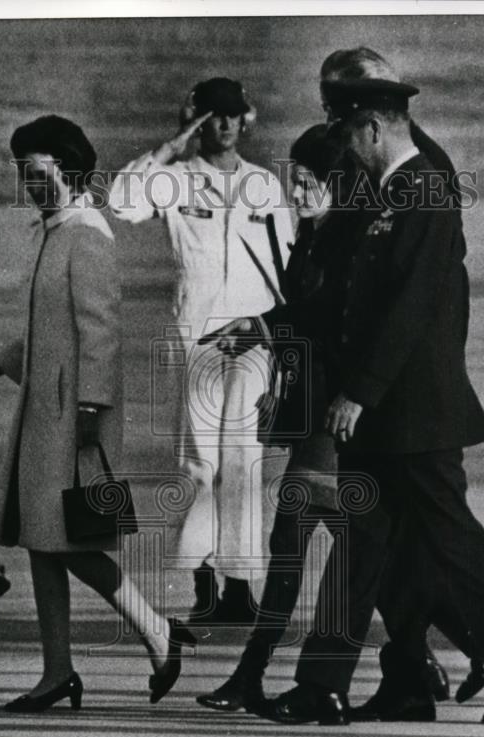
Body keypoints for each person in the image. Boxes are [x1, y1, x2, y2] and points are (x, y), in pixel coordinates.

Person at [240, 56, 484, 726]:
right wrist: (271, 327)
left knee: (454, 542)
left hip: (416, 410)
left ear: (369, 127)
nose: (344, 151)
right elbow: (344, 297)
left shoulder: (423, 189)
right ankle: (328, 684)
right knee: (363, 545)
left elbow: (411, 307)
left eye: (346, 132)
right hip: (382, 411)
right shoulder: (386, 192)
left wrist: (357, 391)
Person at [0, 115, 193, 712]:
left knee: (68, 540)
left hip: (75, 418)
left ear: (70, 170)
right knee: (43, 541)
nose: (29, 186)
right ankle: (58, 670)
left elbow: (101, 332)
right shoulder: (53, 230)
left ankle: (155, 630)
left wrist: (91, 411)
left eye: (37, 174)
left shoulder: (87, 233)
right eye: (22, 175)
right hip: (47, 413)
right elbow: (44, 334)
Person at [108, 78, 293, 625]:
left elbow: (290, 261)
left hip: (256, 339)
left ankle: (239, 590)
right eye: (215, 115)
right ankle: (204, 588)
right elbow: (122, 203)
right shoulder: (178, 180)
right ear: (198, 120)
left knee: (244, 460)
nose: (227, 124)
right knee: (199, 465)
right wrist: (170, 145)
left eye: (235, 113)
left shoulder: (264, 185)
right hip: (196, 339)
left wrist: (283, 339)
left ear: (248, 118)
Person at [195, 125, 358, 713]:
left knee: (306, 548)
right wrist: (281, 381)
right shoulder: (311, 236)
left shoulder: (348, 241)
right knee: (335, 554)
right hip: (312, 416)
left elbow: (327, 321)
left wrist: (263, 328)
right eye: (297, 177)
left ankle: (250, 675)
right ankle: (422, 660)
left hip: (340, 424)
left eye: (313, 178)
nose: (300, 188)